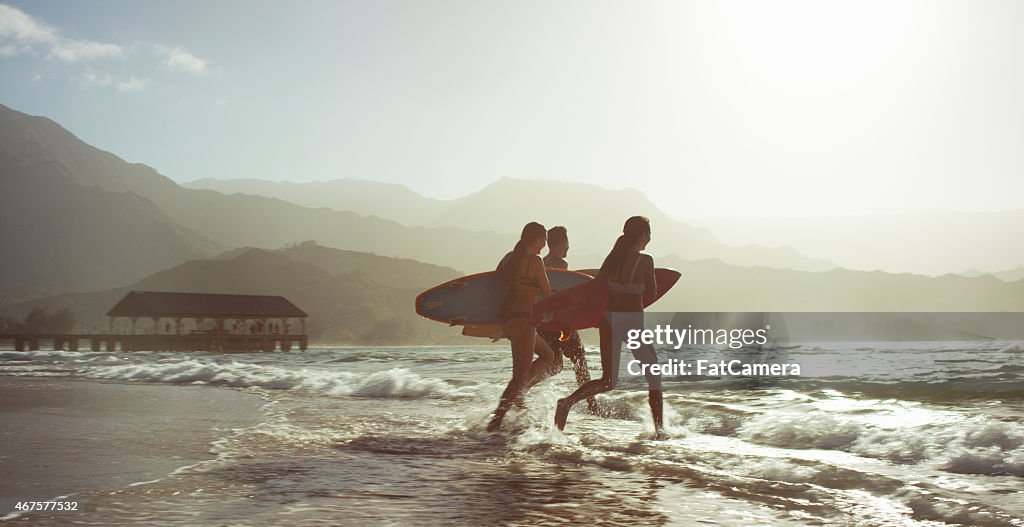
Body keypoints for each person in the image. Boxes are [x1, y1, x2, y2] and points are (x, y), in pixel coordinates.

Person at [554, 216, 664, 435]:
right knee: (654, 375)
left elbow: (595, 289)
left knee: (608, 380)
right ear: (643, 236)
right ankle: (659, 431)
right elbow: (651, 293)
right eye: (648, 235)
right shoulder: (645, 261)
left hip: (608, 321)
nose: (648, 240)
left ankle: (567, 402)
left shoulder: (612, 259)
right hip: (631, 322)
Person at [488, 222, 560, 432]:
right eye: (544, 239)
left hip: (510, 321)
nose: (545, 244)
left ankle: (519, 395)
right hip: (525, 321)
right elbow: (546, 292)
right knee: (518, 376)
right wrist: (556, 314)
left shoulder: (509, 258)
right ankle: (495, 422)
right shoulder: (535, 261)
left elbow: (492, 285)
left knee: (548, 355)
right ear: (536, 239)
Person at [537, 226, 601, 414]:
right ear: (560, 243)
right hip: (562, 323)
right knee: (579, 361)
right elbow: (563, 295)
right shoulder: (560, 265)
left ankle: (522, 389)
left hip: (546, 323)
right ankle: (591, 405)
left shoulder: (540, 263)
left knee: (555, 364)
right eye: (567, 243)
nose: (568, 248)